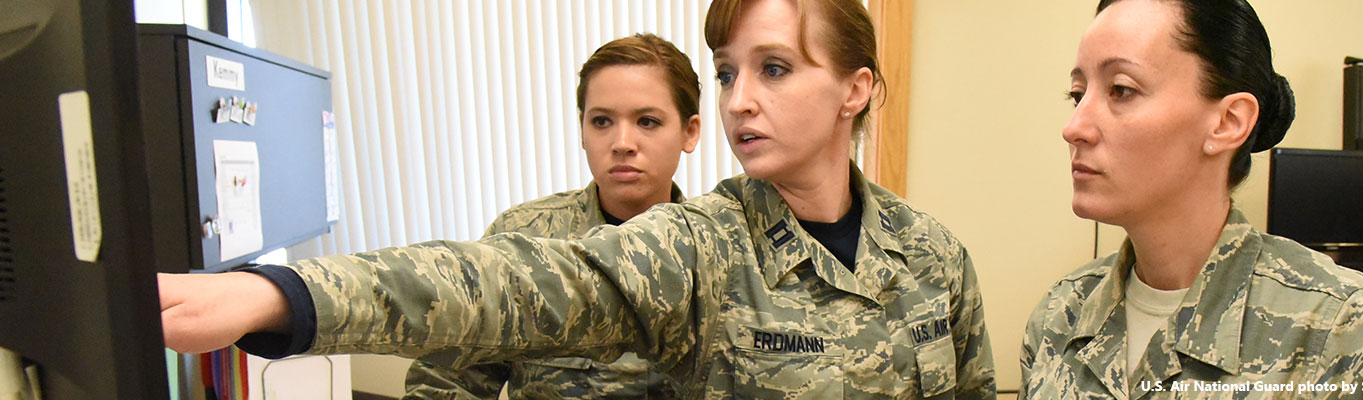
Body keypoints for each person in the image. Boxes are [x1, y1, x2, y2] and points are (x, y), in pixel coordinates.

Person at [158, 0, 997, 398]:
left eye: (773, 69)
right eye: (730, 72)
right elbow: (503, 283)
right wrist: (282, 294)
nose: (742, 98)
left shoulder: (932, 254)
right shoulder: (702, 244)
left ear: (854, 90)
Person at [1018, 0, 1363, 398]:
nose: (1074, 126)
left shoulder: (1358, 335)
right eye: (1077, 95)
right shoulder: (1063, 314)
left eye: (1121, 90)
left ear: (1228, 122)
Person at [402, 33, 699, 400]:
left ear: (690, 131)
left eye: (647, 121)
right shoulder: (524, 239)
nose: (622, 142)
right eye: (602, 121)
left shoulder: (715, 252)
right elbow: (445, 381)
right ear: (583, 130)